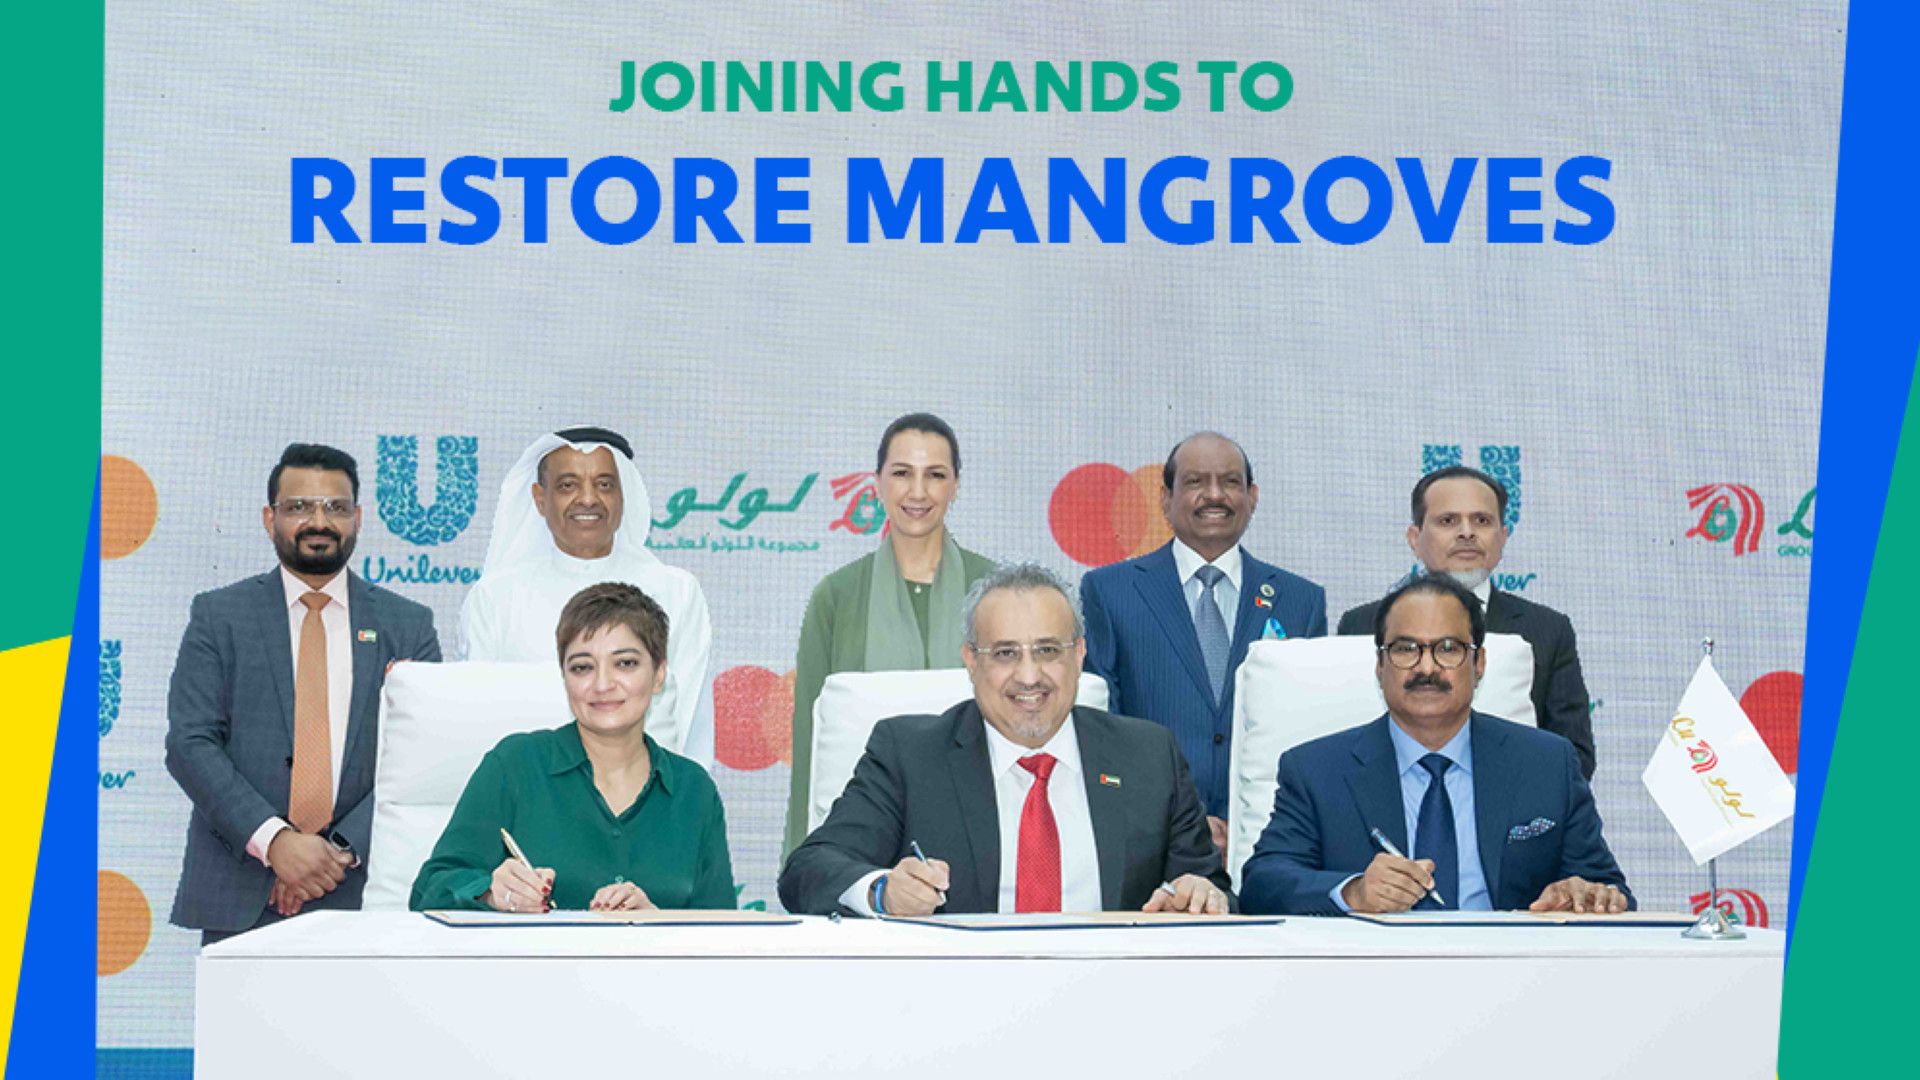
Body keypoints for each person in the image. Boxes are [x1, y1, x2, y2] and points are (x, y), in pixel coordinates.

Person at [779, 563, 1231, 917]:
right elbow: (808, 871)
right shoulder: (909, 754)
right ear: (971, 662)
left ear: (1079, 656)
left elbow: (1209, 887)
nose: (1029, 676)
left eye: (1048, 650)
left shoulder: (1149, 757)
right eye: (1005, 653)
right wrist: (882, 892)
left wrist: (1201, 896)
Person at [166, 443, 441, 943]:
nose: (320, 521)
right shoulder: (219, 616)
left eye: (335, 507)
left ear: (357, 517)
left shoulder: (408, 625)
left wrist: (332, 853)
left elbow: (422, 755)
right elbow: (190, 743)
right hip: (244, 889)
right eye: (299, 507)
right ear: (270, 518)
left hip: (367, 890)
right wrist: (276, 844)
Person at [1241, 574, 1630, 916]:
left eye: (1447, 648)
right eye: (1406, 649)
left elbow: (1608, 887)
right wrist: (1354, 891)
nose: (1426, 668)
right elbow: (1263, 884)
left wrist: (1585, 893)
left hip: (1511, 977)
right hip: (1373, 980)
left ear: (1478, 665)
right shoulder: (1317, 769)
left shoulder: (1546, 763)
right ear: (1380, 667)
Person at [412, 582, 735, 912]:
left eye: (625, 663)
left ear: (659, 674)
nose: (603, 684)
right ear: (565, 677)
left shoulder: (693, 791)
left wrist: (657, 925)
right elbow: (428, 891)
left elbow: (724, 937)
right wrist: (489, 892)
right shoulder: (516, 765)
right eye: (582, 667)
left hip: (651, 966)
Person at [1081, 432, 1327, 854]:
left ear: (1252, 496)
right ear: (1165, 498)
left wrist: (1248, 822)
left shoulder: (1300, 600)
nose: (1214, 495)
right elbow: (1104, 728)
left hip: (1268, 843)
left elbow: (1312, 736)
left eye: (1230, 482)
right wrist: (1182, 821)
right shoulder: (1110, 591)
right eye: (1195, 482)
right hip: (1149, 842)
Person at [784, 413, 996, 856]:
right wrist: (805, 860)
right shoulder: (836, 597)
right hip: (864, 834)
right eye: (902, 473)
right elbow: (811, 742)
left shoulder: (997, 591)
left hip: (983, 831)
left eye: (935, 475)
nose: (917, 492)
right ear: (877, 482)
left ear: (956, 485)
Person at [461, 426, 715, 765]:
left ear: (624, 496)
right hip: (529, 800)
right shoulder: (495, 597)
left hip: (644, 801)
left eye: (604, 484)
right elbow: (479, 719)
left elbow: (688, 722)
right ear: (540, 498)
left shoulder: (676, 591)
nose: (588, 499)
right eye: (568, 485)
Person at [1336, 465, 1596, 778]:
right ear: (1414, 538)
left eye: (1481, 521)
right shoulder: (1362, 624)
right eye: (1448, 521)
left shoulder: (1547, 630)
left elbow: (1574, 757)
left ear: (1502, 537)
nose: (1467, 533)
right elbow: (1348, 747)